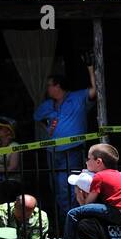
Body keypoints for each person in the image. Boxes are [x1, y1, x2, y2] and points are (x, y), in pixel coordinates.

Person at [33, 67, 97, 220]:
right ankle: (64, 221)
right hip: (52, 151)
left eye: (49, 85)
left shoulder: (77, 97)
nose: (47, 89)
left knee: (67, 186)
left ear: (57, 86)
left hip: (72, 150)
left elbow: (95, 90)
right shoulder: (48, 104)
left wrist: (90, 69)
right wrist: (48, 126)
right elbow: (37, 117)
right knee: (55, 186)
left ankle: (72, 219)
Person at [61, 144, 121, 239]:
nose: (86, 162)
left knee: (73, 213)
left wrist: (80, 198)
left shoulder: (99, 176)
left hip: (120, 210)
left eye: (88, 159)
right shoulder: (120, 175)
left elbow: (88, 203)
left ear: (98, 162)